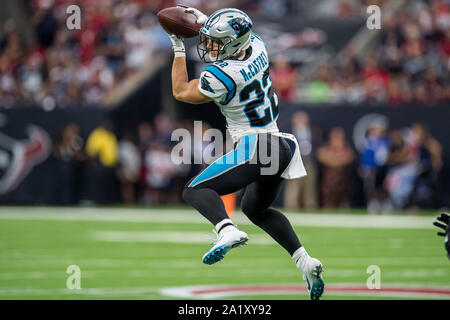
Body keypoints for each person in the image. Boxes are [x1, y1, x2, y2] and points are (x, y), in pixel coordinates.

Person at [164, 6, 324, 300]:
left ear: (233, 44)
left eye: (216, 42)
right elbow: (240, 33)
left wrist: (177, 46)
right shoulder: (259, 46)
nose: (210, 48)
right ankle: (305, 261)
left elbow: (181, 91)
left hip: (256, 148)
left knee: (195, 190)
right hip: (281, 147)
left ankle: (226, 229)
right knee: (255, 209)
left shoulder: (221, 74)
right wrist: (205, 23)